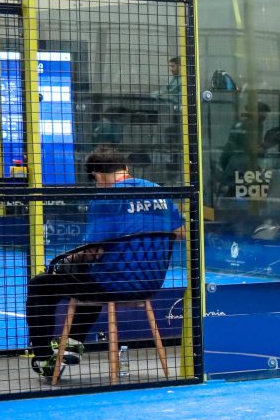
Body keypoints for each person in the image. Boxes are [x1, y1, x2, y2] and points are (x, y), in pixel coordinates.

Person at [24, 144, 185, 379]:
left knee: (42, 284)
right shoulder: (159, 191)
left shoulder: (106, 199)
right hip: (150, 283)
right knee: (88, 276)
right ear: (125, 167)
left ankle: (43, 357)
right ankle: (72, 343)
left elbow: (93, 252)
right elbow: (180, 233)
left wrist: (66, 260)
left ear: (98, 176)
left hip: (111, 283)